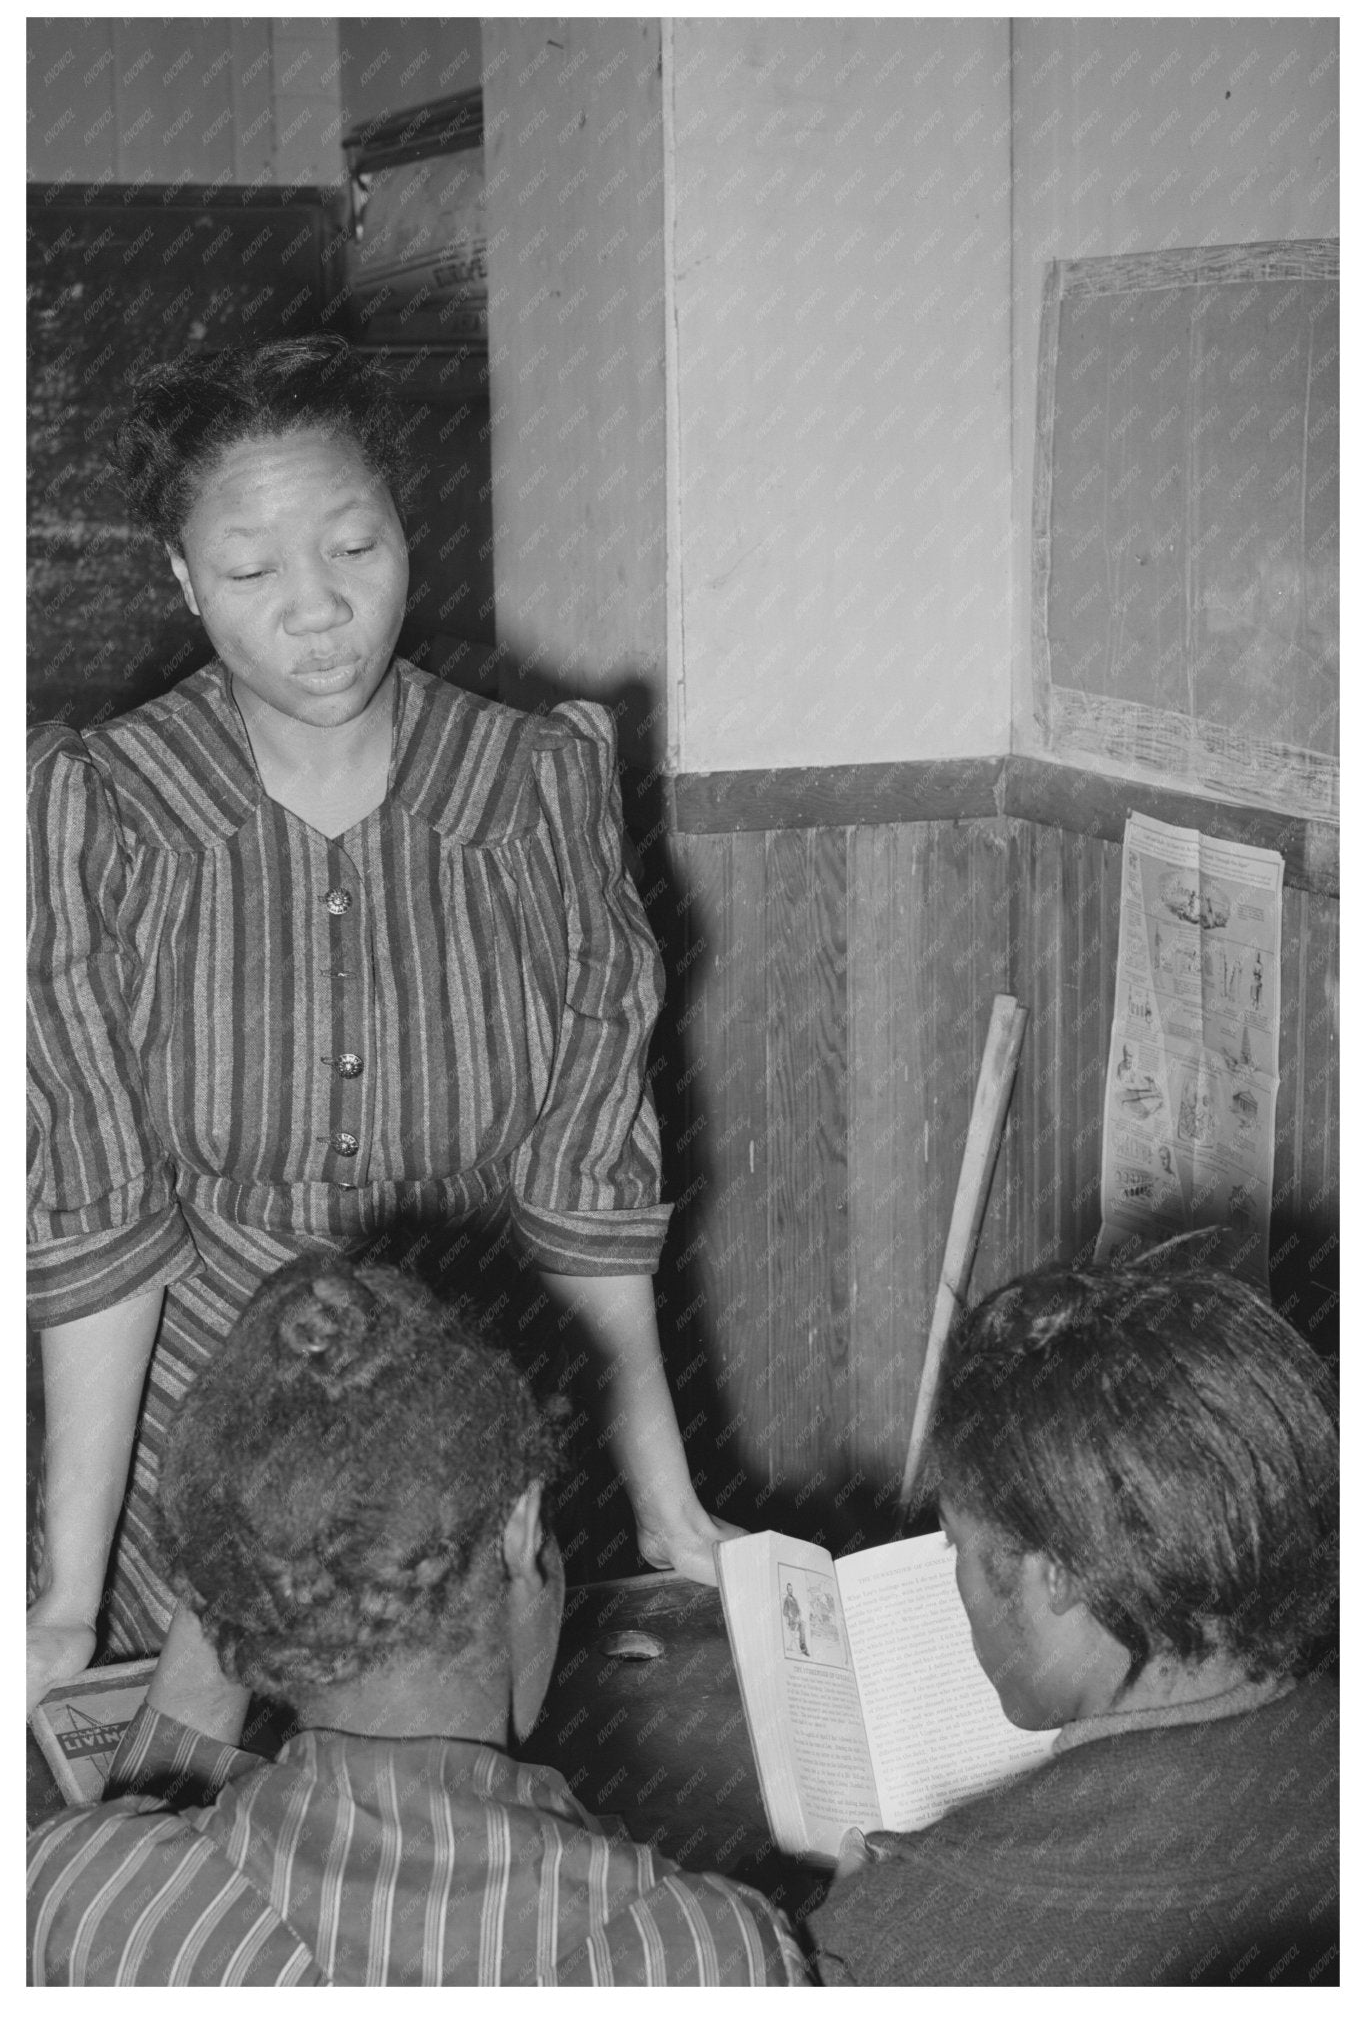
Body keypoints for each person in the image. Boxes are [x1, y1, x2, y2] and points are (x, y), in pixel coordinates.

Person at [27, 333, 735, 1713]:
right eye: (251, 571)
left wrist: (668, 1507)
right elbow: (100, 1231)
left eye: (354, 546)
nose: (318, 611)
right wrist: (63, 1593)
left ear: (404, 531)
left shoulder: (532, 790)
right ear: (182, 579)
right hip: (202, 1480)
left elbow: (582, 1200)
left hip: (461, 1473)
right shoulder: (105, 810)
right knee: (179, 1859)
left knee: (460, 1843)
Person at [27, 1255, 805, 1987]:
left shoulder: (89, 1905)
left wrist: (249, 1544)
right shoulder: (703, 1953)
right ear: (524, 1525)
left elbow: (140, 1840)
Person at [809, 1263, 1339, 1987]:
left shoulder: (899, 1936)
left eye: (954, 1543)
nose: (954, 1573)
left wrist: (842, 1950)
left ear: (1054, 1573)